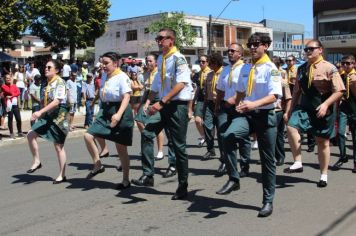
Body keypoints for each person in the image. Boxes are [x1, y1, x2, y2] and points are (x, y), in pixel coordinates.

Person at [221, 33, 282, 217]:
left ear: (266, 46)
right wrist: (235, 103)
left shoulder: (271, 69)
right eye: (250, 44)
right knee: (227, 137)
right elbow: (240, 91)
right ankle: (234, 178)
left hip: (264, 116)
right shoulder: (247, 68)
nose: (253, 47)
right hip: (247, 114)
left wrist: (253, 104)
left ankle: (267, 201)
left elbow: (274, 96)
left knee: (267, 161)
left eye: (257, 44)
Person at [131, 28, 192, 200]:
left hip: (176, 106)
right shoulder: (161, 59)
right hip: (163, 105)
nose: (158, 41)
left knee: (179, 146)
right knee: (147, 133)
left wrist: (162, 102)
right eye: (157, 38)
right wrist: (149, 102)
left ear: (171, 40)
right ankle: (148, 175)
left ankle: (183, 185)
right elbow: (156, 85)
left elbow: (182, 83)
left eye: (161, 38)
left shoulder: (179, 59)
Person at [285, 40, 345, 188]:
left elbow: (339, 91)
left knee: (322, 142)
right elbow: (297, 91)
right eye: (306, 49)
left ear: (320, 50)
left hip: (323, 108)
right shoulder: (301, 69)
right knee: (291, 126)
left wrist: (325, 104)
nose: (308, 51)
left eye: (311, 49)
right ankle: (298, 162)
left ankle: (323, 175)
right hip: (305, 106)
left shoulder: (330, 68)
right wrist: (289, 110)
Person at [84, 51, 134, 190]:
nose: (103, 66)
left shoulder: (122, 77)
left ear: (116, 63)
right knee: (88, 135)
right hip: (105, 111)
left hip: (120, 112)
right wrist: (95, 101)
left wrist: (118, 115)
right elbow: (102, 91)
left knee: (121, 148)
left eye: (106, 63)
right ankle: (98, 164)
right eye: (102, 63)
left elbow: (126, 97)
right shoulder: (105, 75)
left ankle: (125, 180)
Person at [26, 60, 69, 184]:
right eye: (45, 67)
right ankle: (37, 161)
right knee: (30, 135)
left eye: (49, 67)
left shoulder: (60, 82)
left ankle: (62, 174)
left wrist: (39, 112)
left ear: (56, 70)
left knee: (58, 146)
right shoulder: (47, 83)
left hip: (59, 115)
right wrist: (42, 113)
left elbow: (56, 101)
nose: (46, 69)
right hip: (48, 114)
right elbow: (45, 102)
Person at [214, 43, 251, 177]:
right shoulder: (225, 69)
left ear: (240, 54)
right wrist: (217, 105)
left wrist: (235, 99)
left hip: (240, 106)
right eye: (228, 51)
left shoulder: (246, 68)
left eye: (232, 51)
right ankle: (226, 162)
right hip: (225, 106)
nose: (229, 53)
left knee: (242, 138)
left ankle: (245, 165)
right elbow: (220, 90)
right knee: (223, 135)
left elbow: (246, 88)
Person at [332, 55, 356, 173]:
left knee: (355, 137)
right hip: (343, 108)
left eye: (348, 63)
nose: (345, 65)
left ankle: (355, 161)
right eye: (343, 63)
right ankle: (343, 156)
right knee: (341, 133)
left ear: (353, 64)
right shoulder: (341, 76)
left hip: (354, 109)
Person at [201, 53, 224, 161]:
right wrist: (204, 106)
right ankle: (210, 150)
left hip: (221, 105)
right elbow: (206, 93)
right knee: (207, 126)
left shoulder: (224, 73)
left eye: (211, 63)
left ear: (217, 63)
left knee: (220, 131)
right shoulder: (209, 75)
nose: (209, 65)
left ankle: (223, 155)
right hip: (210, 104)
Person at [272, 56, 292, 166]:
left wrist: (286, 112)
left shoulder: (282, 80)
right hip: (265, 110)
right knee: (268, 136)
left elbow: (288, 98)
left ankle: (280, 156)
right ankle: (270, 156)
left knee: (277, 135)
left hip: (277, 111)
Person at [193, 55, 210, 146]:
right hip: (200, 99)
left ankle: (210, 138)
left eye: (203, 62)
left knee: (208, 122)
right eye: (200, 61)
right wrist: (193, 101)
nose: (201, 63)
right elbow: (197, 88)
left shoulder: (211, 72)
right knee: (197, 120)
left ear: (207, 63)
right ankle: (203, 136)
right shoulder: (198, 74)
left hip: (210, 99)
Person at [1, 73, 23, 138]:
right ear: (5, 79)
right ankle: (11, 133)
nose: (8, 79)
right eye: (7, 78)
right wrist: (13, 93)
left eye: (9, 78)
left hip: (15, 104)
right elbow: (8, 91)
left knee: (18, 119)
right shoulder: (3, 86)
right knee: (10, 119)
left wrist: (11, 95)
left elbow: (18, 92)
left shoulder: (14, 85)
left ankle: (20, 132)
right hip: (8, 105)